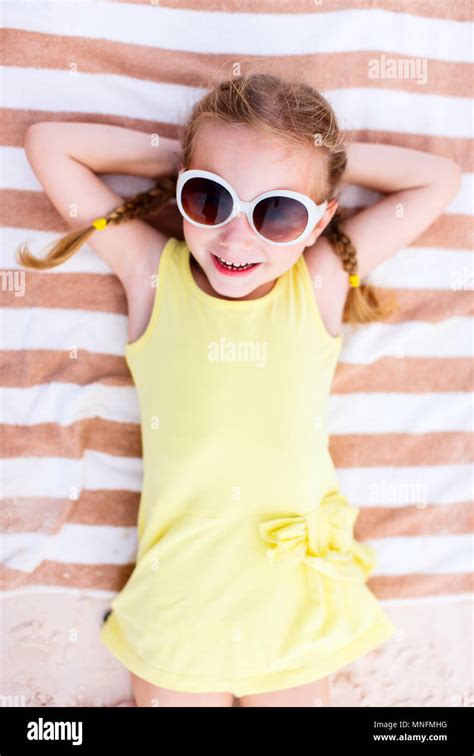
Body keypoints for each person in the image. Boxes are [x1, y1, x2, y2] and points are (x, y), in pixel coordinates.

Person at [19, 73, 462, 707]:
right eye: (210, 198)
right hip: (179, 606)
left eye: (278, 211)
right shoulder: (152, 275)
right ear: (181, 190)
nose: (235, 236)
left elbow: (438, 180)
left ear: (319, 222)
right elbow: (49, 144)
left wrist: (314, 158)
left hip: (294, 602)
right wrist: (196, 156)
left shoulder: (318, 282)